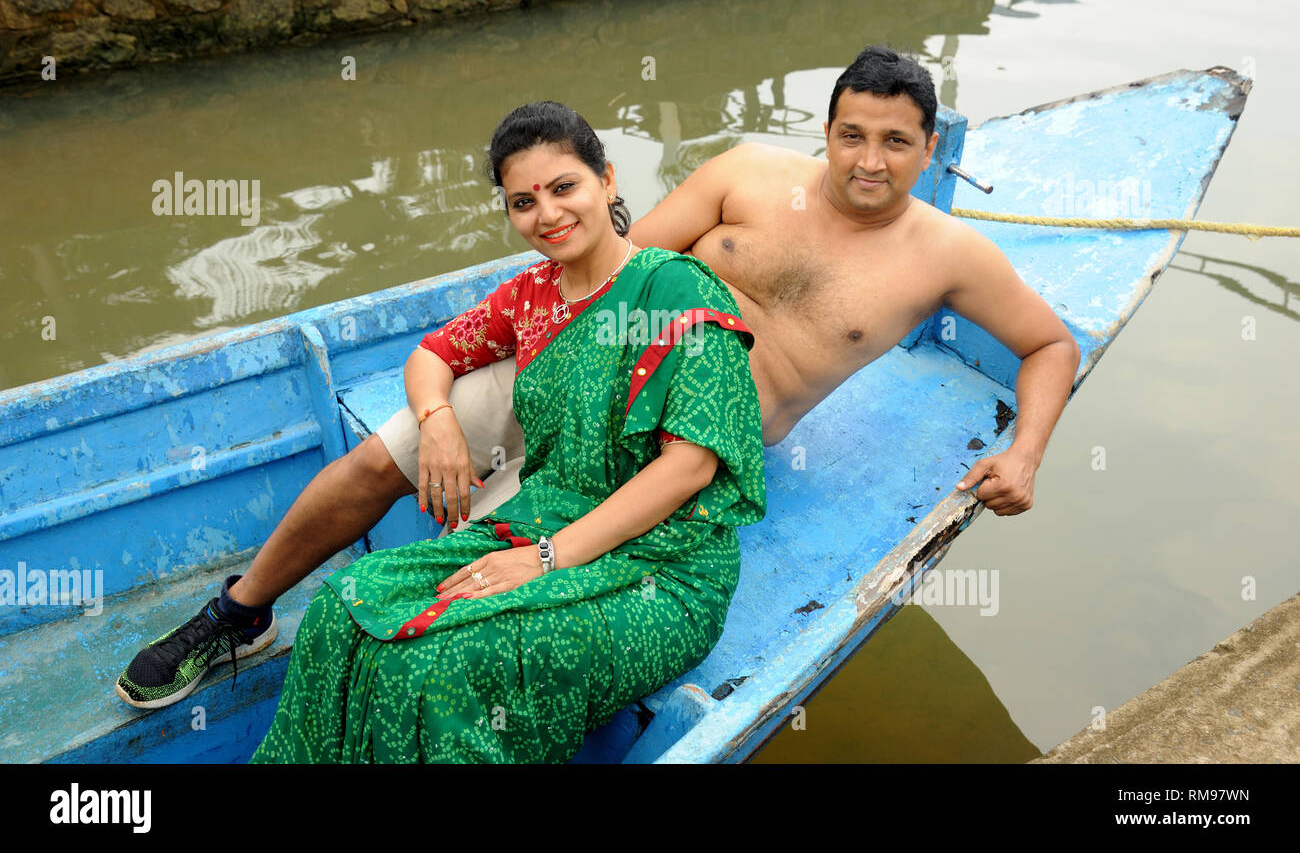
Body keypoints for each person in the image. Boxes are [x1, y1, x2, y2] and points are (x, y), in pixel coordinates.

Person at [116, 44, 1079, 712]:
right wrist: (476, 378)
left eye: (896, 142)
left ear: (928, 147)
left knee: (502, 574)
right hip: (584, 371)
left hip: (687, 445)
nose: (869, 161)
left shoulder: (947, 254)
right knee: (391, 458)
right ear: (823, 130)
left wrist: (1026, 452)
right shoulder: (747, 172)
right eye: (852, 135)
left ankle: (421, 661)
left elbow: (1048, 346)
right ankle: (238, 613)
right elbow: (608, 263)